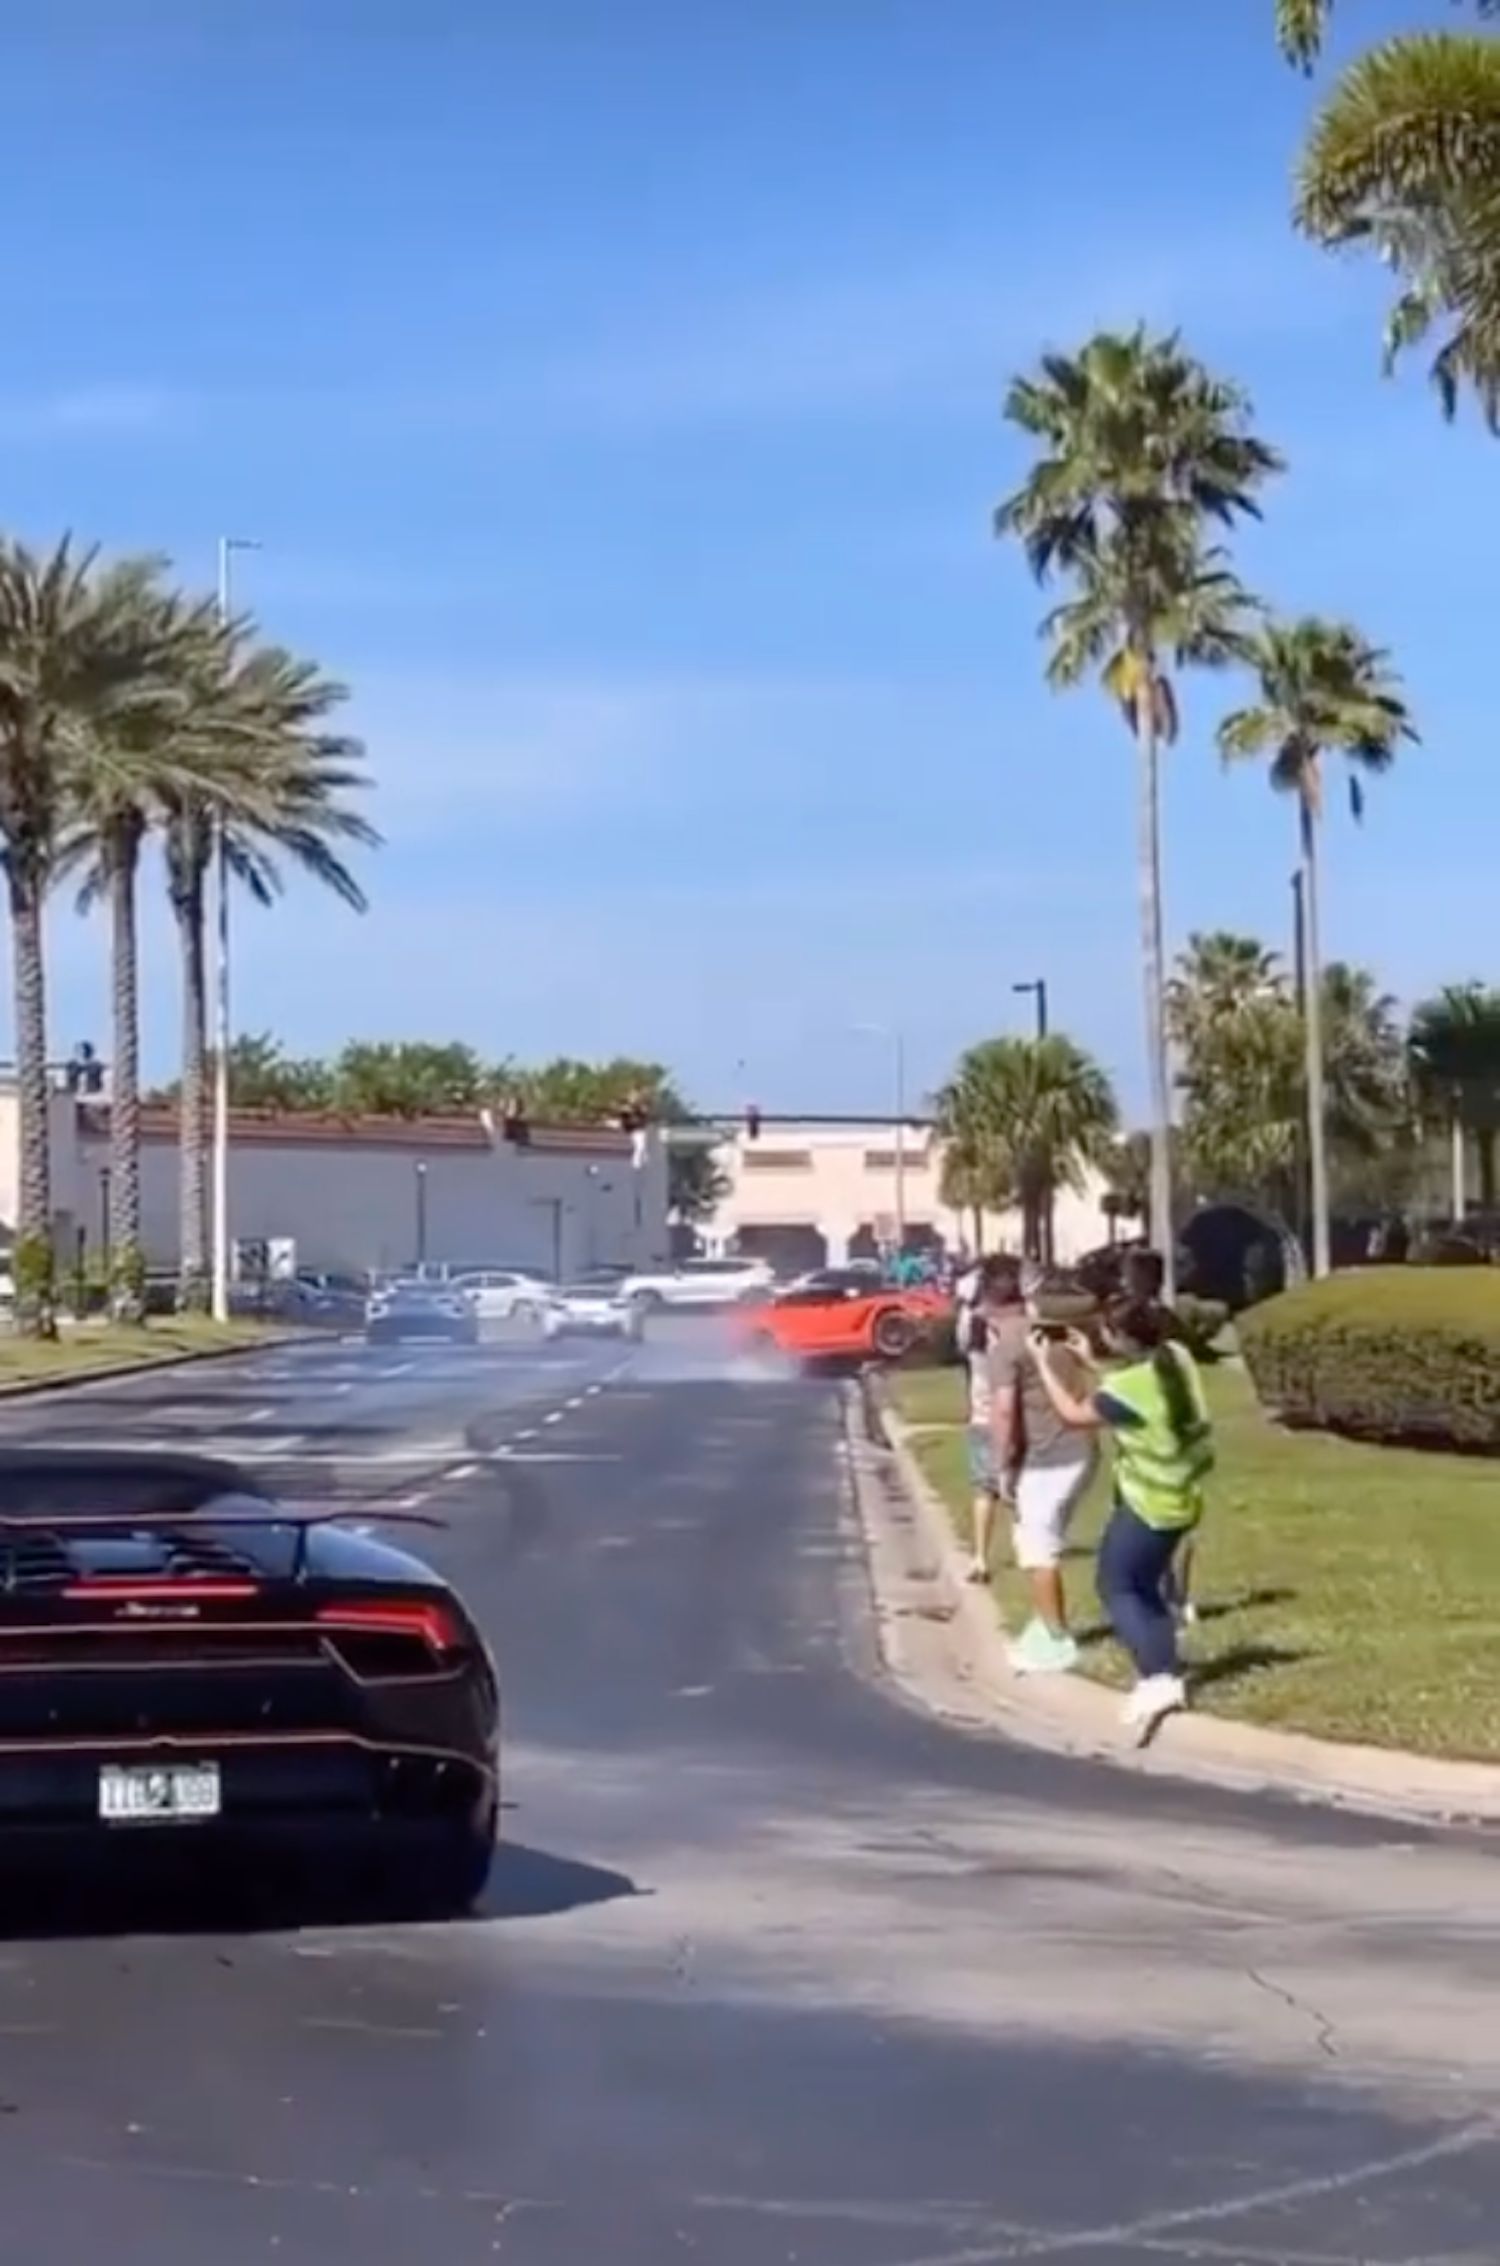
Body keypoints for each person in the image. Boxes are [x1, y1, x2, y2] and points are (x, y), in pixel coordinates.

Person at [1027, 1295, 1214, 1741]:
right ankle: (1163, 1669)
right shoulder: (1177, 1359)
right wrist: (1092, 1363)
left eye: (1106, 1332)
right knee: (1146, 1586)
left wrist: (1044, 1365)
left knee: (1117, 1586)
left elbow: (1075, 1416)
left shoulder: (1124, 1389)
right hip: (1182, 1495)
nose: (1101, 1337)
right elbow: (1135, 1394)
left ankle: (1158, 1678)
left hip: (1148, 1504)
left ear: (1124, 1338)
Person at [982, 1257, 1096, 1673]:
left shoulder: (1004, 1349)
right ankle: (1045, 1622)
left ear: (987, 1308)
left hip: (1049, 1459)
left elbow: (1004, 1413)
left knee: (1036, 1550)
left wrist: (1001, 1467)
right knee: (1041, 1536)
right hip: (1082, 1450)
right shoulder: (1052, 1333)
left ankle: (1055, 1639)